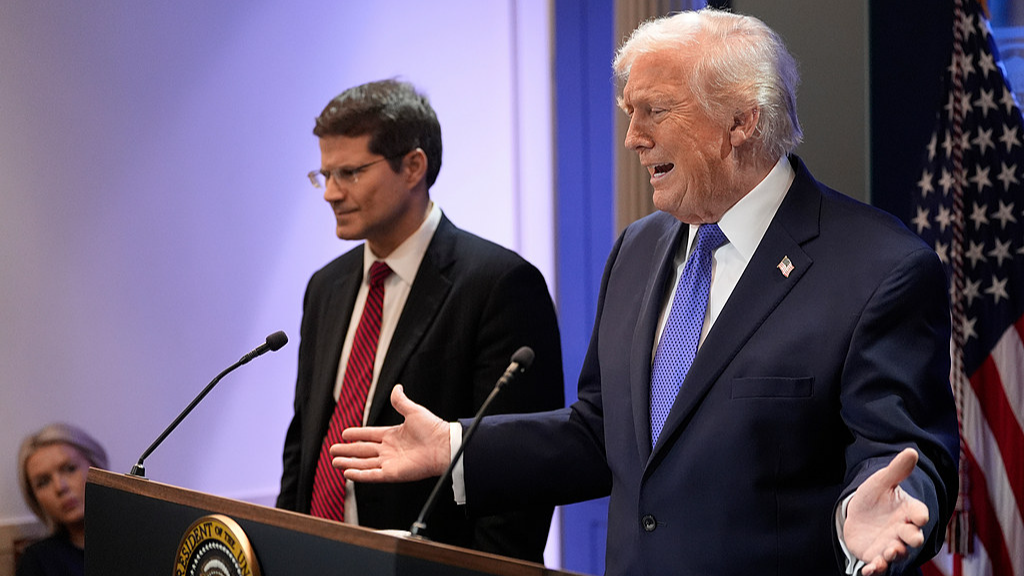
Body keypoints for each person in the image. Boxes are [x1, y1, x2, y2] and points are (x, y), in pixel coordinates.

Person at [330, 9, 961, 576]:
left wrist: (878, 516)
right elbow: (600, 433)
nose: (632, 136)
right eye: (630, 112)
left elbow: (901, 455)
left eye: (654, 111)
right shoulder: (639, 247)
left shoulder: (880, 269)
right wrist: (460, 445)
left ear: (741, 120)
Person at [276, 79, 565, 562]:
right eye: (323, 174)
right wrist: (282, 546)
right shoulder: (325, 287)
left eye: (348, 172)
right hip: (318, 554)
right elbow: (304, 441)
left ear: (413, 167)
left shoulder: (500, 284)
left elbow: (518, 479)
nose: (330, 193)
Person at [16, 423, 108, 576]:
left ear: (97, 468)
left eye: (69, 469)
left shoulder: (138, 538)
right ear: (34, 498)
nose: (60, 487)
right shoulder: (36, 561)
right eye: (44, 482)